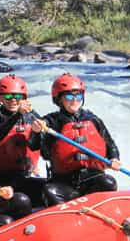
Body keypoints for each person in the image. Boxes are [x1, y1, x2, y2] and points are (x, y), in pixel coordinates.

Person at [32, 74, 122, 206]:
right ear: (59, 99)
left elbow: (109, 144)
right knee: (49, 191)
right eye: (69, 96)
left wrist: (114, 158)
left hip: (92, 177)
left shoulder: (93, 119)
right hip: (64, 182)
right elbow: (34, 146)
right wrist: (35, 131)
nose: (74, 100)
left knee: (109, 182)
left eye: (78, 96)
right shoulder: (51, 121)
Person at [0, 75, 45, 206]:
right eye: (8, 96)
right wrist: (18, 114)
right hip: (0, 178)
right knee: (21, 201)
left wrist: (37, 133)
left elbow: (35, 146)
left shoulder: (31, 116)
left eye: (18, 97)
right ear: (0, 99)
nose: (13, 100)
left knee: (46, 190)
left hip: (25, 174)